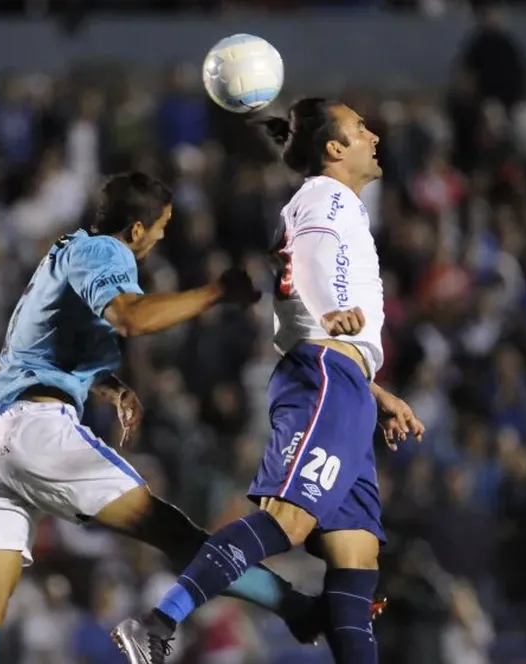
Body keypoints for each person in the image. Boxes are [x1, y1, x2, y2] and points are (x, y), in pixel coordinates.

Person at [0, 171, 352, 664]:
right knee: (177, 536)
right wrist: (215, 293)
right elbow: (130, 317)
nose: (162, 236)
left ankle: (299, 610)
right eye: (161, 226)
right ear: (136, 230)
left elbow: (41, 351)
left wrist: (109, 387)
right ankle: (296, 608)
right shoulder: (105, 252)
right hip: (37, 433)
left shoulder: (63, 255)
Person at [114, 99, 425, 664]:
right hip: (326, 379)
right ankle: (158, 624)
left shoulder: (332, 201)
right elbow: (310, 259)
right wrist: (332, 310)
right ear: (334, 148)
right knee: (287, 518)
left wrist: (374, 392)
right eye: (360, 128)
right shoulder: (325, 197)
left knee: (357, 561)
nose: (373, 134)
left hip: (345, 383)